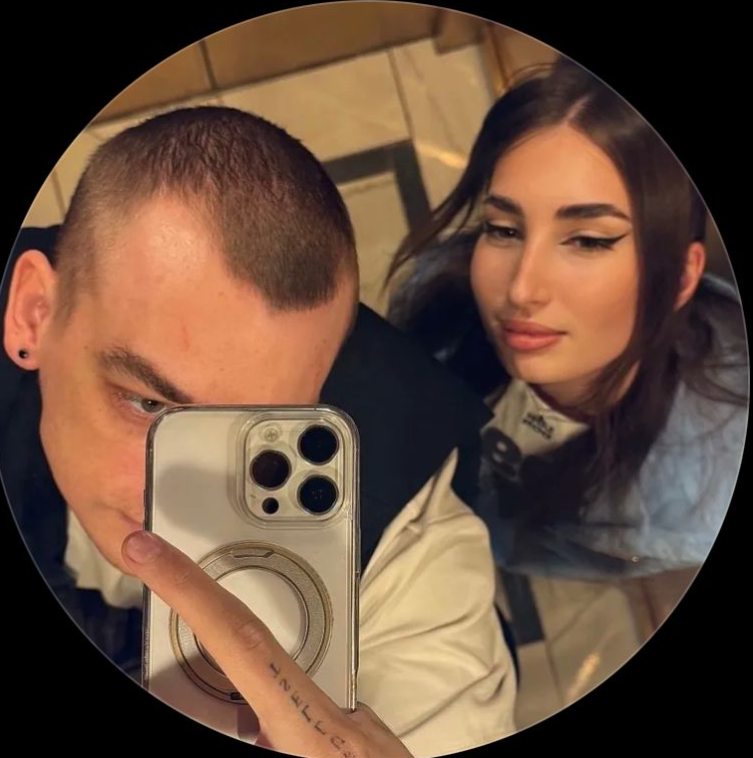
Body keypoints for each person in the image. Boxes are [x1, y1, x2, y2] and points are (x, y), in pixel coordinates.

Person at [1, 107, 516, 757]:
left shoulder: (402, 535)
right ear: (34, 313)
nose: (191, 497)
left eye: (264, 433)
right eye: (149, 405)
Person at [387, 57, 748, 581]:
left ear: (680, 276)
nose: (521, 289)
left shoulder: (697, 496)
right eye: (503, 228)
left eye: (588, 241)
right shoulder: (443, 301)